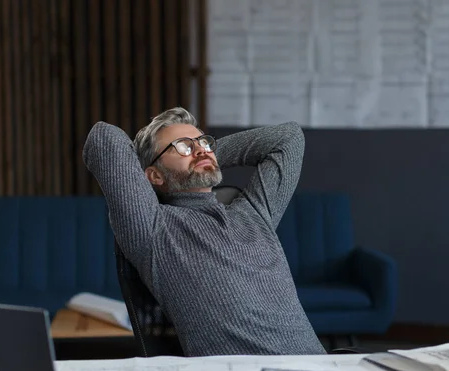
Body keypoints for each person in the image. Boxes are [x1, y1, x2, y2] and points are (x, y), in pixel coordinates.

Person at [82, 107, 326, 356]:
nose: (201, 148)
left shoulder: (254, 213)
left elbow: (289, 138)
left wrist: (204, 155)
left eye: (203, 142)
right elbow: (104, 138)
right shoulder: (153, 228)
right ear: (154, 175)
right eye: (183, 146)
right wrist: (196, 157)